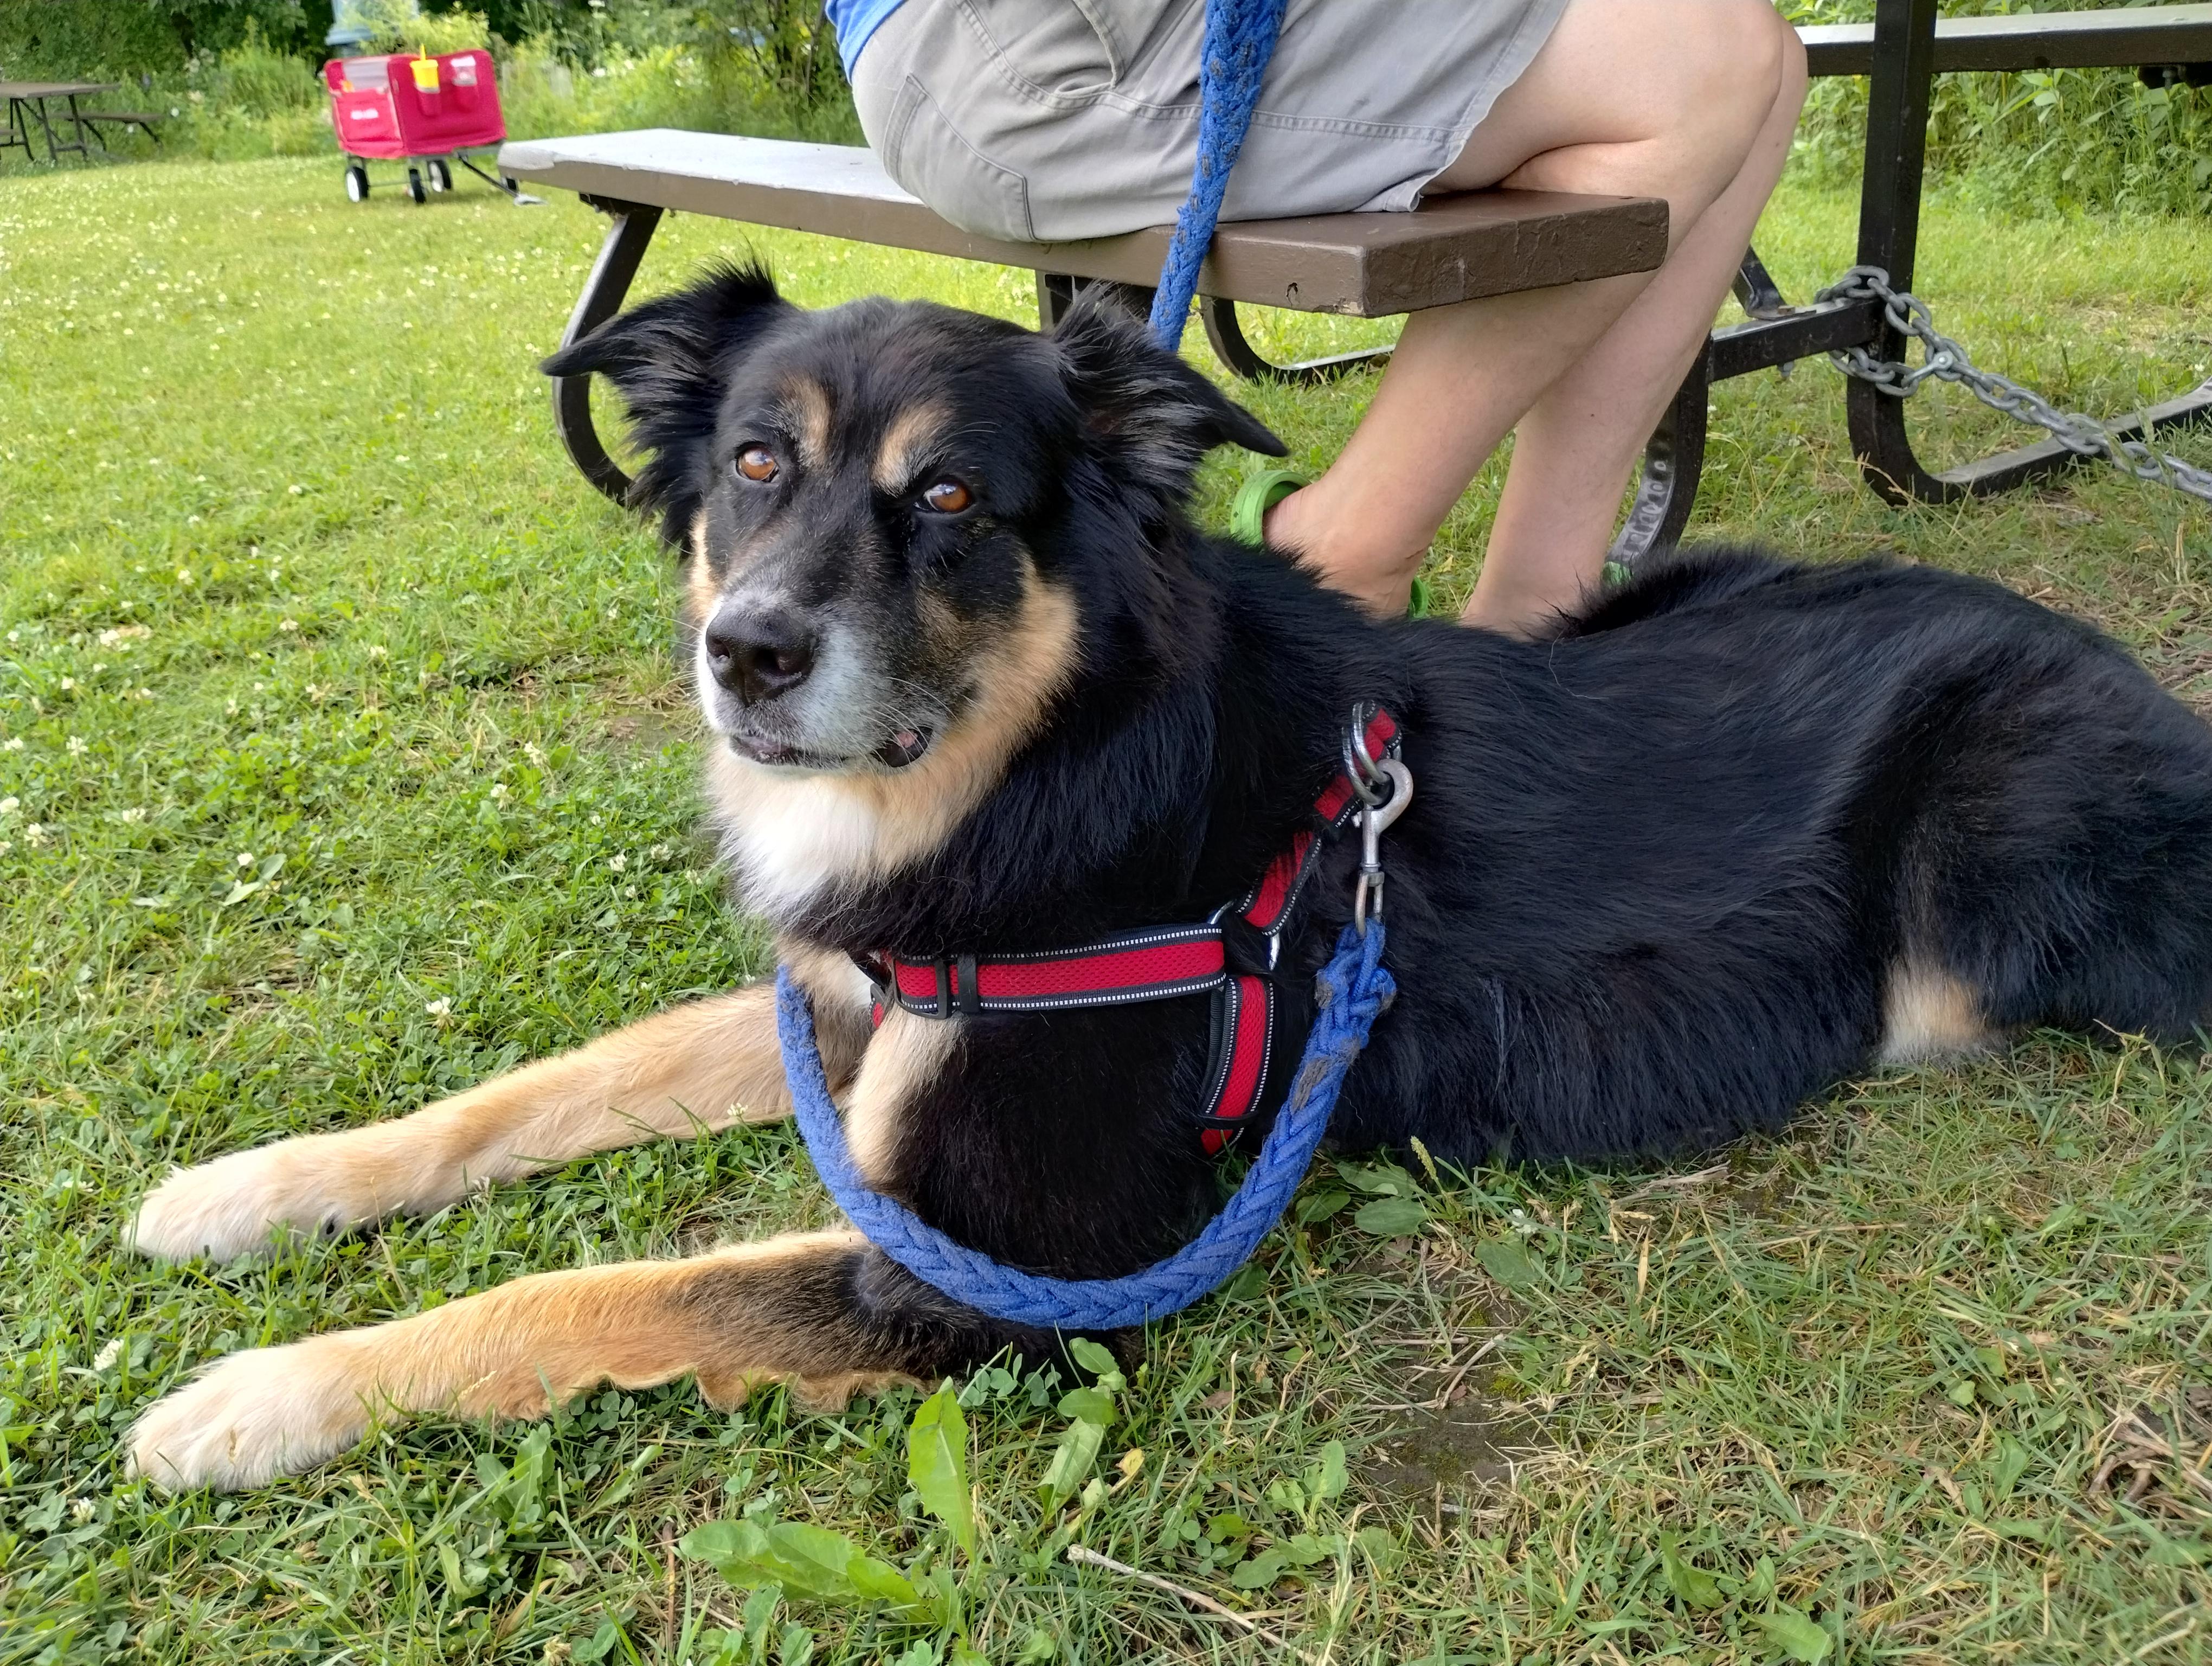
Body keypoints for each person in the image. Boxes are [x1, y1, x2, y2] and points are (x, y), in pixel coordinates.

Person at [829, 0, 1809, 636]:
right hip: (1017, 45)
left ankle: (1540, 610)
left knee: (1761, 64)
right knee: (1705, 55)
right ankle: (1343, 555)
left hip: (1026, 44)